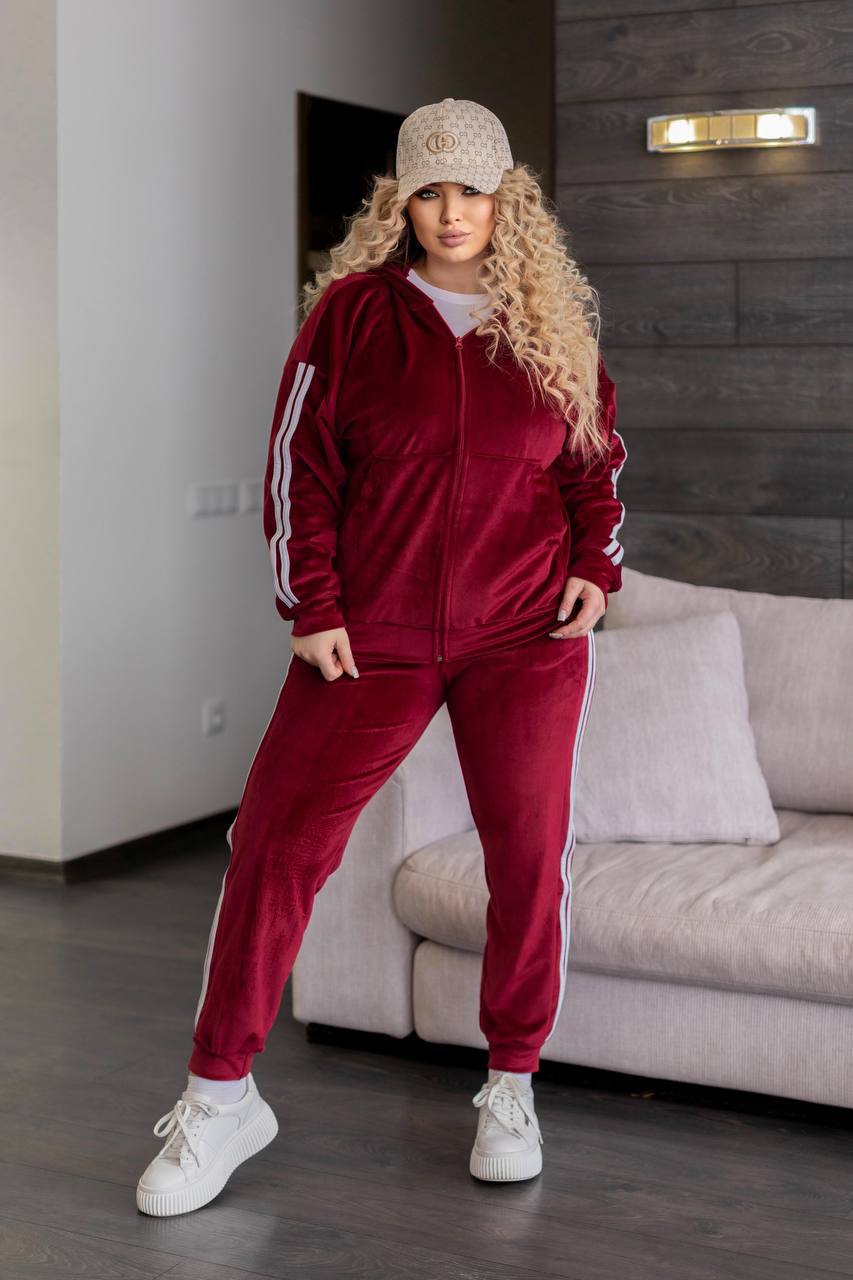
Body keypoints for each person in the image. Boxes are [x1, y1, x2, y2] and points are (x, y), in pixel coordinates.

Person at [136, 97, 627, 1216]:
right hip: (370, 637)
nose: (451, 213)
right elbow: (297, 464)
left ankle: (511, 1083)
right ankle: (219, 1096)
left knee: (527, 858)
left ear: (506, 199)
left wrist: (596, 567)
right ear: (399, 201)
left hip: (524, 636)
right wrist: (310, 602)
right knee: (274, 845)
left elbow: (594, 466)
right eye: (429, 191)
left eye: (472, 191)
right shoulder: (353, 314)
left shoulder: (549, 322)